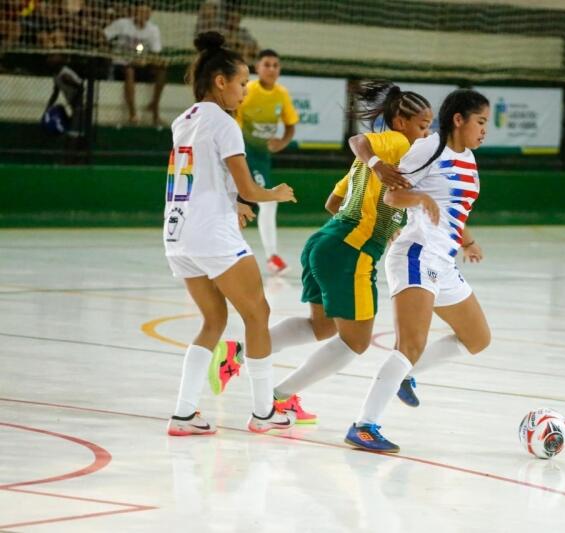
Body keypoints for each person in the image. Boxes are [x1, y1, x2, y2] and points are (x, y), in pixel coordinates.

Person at [212, 82, 432, 426]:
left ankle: (238, 352)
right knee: (356, 341)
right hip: (350, 252)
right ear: (401, 123)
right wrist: (375, 168)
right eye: (423, 125)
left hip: (325, 241)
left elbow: (333, 202)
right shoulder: (396, 144)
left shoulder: (371, 165)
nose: (427, 133)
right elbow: (358, 141)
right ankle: (278, 397)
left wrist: (383, 226)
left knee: (321, 326)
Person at [165, 31, 297, 437]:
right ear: (220, 82)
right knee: (258, 314)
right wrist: (270, 194)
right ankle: (263, 412)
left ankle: (184, 414)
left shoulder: (182, 120)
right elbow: (247, 186)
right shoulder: (224, 122)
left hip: (177, 233)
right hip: (212, 235)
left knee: (213, 320)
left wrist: (234, 202)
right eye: (241, 83)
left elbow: (197, 176)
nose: (244, 91)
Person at [345, 89, 492, 452]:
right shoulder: (430, 148)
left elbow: (453, 208)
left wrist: (467, 242)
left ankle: (405, 375)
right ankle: (364, 426)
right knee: (411, 343)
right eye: (481, 122)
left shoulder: (469, 159)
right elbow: (393, 195)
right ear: (459, 119)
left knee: (477, 338)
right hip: (416, 252)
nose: (485, 130)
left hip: (443, 260)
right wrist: (420, 198)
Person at [235, 48, 298, 275]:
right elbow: (232, 115)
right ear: (257, 68)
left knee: (249, 203)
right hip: (244, 151)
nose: (271, 69)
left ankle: (265, 256)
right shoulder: (249, 90)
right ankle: (271, 257)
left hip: (263, 156)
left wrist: (281, 142)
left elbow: (291, 125)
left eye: (275, 65)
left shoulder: (281, 94)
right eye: (267, 64)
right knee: (267, 202)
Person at [103, 2, 166, 125]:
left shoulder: (153, 29)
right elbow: (104, 35)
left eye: (146, 12)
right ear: (134, 12)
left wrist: (146, 60)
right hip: (121, 64)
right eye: (140, 11)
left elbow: (155, 52)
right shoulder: (122, 24)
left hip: (142, 65)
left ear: (149, 15)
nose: (142, 15)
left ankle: (155, 109)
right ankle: (133, 113)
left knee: (161, 68)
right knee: (129, 70)